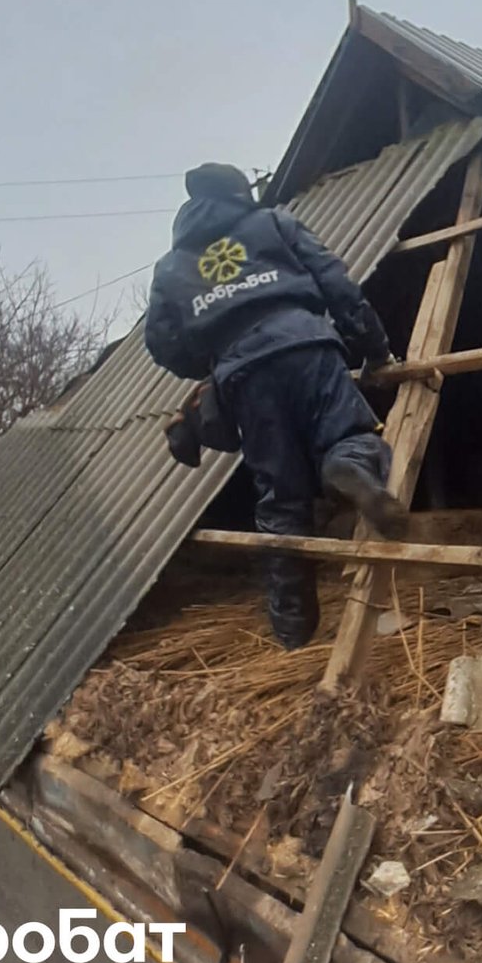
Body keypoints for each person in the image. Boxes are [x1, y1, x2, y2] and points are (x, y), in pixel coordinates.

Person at [146, 162, 407, 647]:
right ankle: (344, 466)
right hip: (306, 343)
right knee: (349, 436)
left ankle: (293, 635)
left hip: (242, 374)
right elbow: (335, 281)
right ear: (239, 192)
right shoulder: (272, 223)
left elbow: (162, 342)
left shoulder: (172, 266)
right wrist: (374, 347)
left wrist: (216, 361)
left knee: (280, 500)